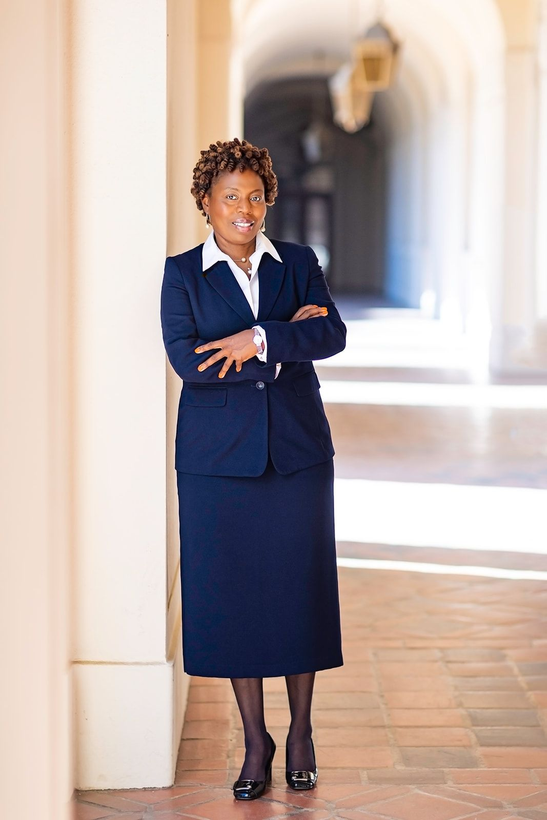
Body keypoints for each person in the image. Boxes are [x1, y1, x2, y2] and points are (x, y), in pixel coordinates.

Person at [160, 137, 346, 800]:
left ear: (269, 201)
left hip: (297, 449)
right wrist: (283, 338)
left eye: (256, 196)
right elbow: (190, 362)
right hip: (216, 461)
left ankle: (300, 733)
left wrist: (256, 338)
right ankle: (255, 740)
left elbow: (331, 334)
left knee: (299, 589)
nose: (245, 208)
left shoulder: (298, 262)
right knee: (234, 595)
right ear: (205, 202)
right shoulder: (182, 274)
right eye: (230, 196)